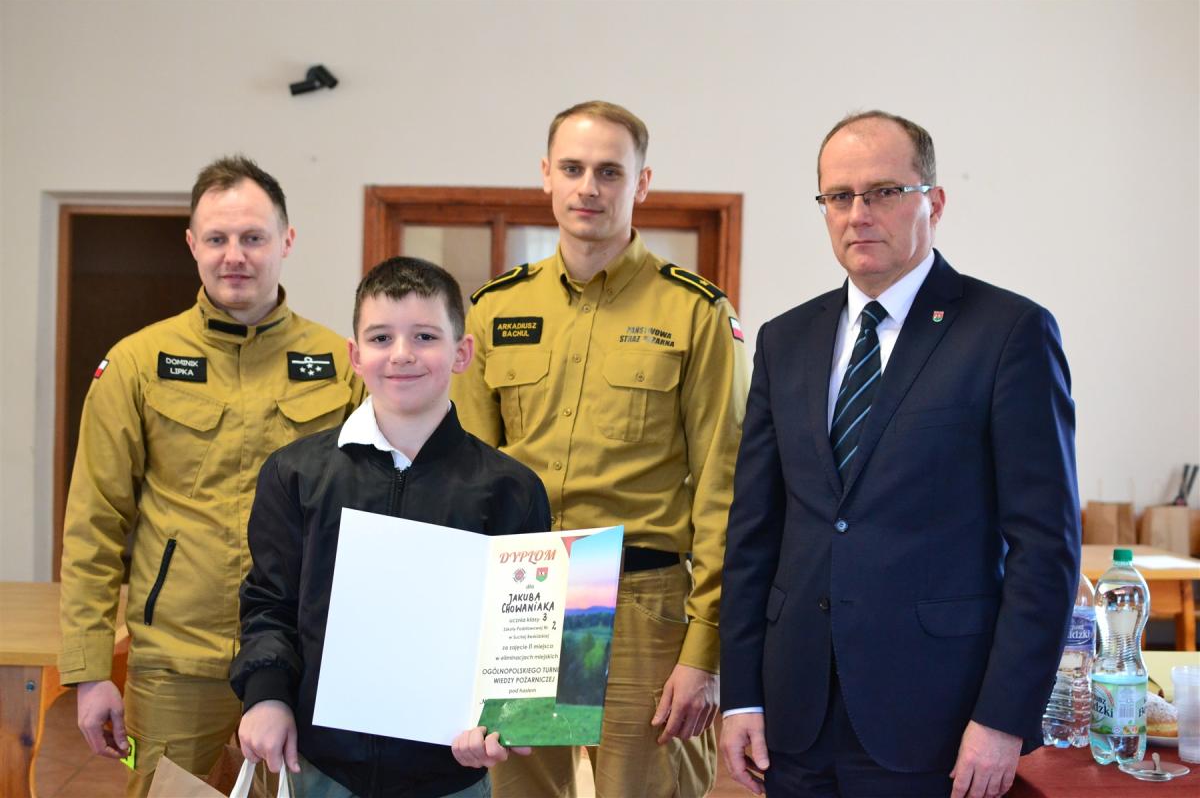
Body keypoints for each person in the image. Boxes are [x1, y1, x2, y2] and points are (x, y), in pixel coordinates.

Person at [719, 110, 1082, 798]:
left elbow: (1046, 547)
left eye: (884, 191)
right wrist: (741, 694)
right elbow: (753, 533)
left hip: (936, 718)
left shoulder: (1009, 333)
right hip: (796, 712)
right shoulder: (785, 339)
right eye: (839, 196)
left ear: (933, 203)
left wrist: (1003, 717)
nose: (859, 213)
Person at [450, 100, 749, 797]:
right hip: (522, 600)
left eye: (610, 171)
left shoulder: (696, 312)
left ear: (642, 183)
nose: (589, 187)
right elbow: (464, 479)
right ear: (545, 176)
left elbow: (726, 486)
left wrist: (705, 649)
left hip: (642, 602)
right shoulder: (495, 308)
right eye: (573, 168)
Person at [58, 155, 364, 797]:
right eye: (218, 238)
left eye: (253, 237)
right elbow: (94, 522)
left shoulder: (342, 364)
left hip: (307, 660)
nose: (235, 256)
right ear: (192, 243)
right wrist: (89, 670)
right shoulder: (138, 363)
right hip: (176, 665)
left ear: (286, 240)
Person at [231, 256, 552, 798]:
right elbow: (269, 602)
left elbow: (520, 636)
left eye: (425, 336)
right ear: (355, 355)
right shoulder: (296, 474)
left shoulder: (510, 489)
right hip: (323, 765)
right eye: (381, 337)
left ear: (462, 353)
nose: (402, 354)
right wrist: (267, 695)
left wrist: (499, 723)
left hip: (449, 771)